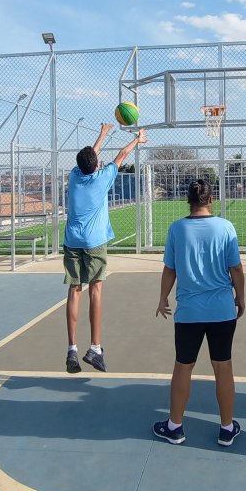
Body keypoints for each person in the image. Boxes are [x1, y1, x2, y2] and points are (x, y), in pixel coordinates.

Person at [153, 179, 245, 446]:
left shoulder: (177, 229)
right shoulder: (225, 227)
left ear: (188, 200)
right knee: (223, 366)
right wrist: (240, 298)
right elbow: (236, 269)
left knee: (183, 366)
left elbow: (169, 269)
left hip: (189, 312)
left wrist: (162, 298)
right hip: (222, 311)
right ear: (210, 199)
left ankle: (175, 426)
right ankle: (227, 428)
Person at [64, 122, 147, 374]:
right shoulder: (102, 179)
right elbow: (121, 155)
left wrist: (101, 134)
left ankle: (71, 349)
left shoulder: (74, 176)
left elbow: (91, 158)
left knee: (74, 290)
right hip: (94, 242)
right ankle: (95, 348)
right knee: (95, 291)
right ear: (96, 165)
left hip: (71, 241)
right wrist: (138, 139)